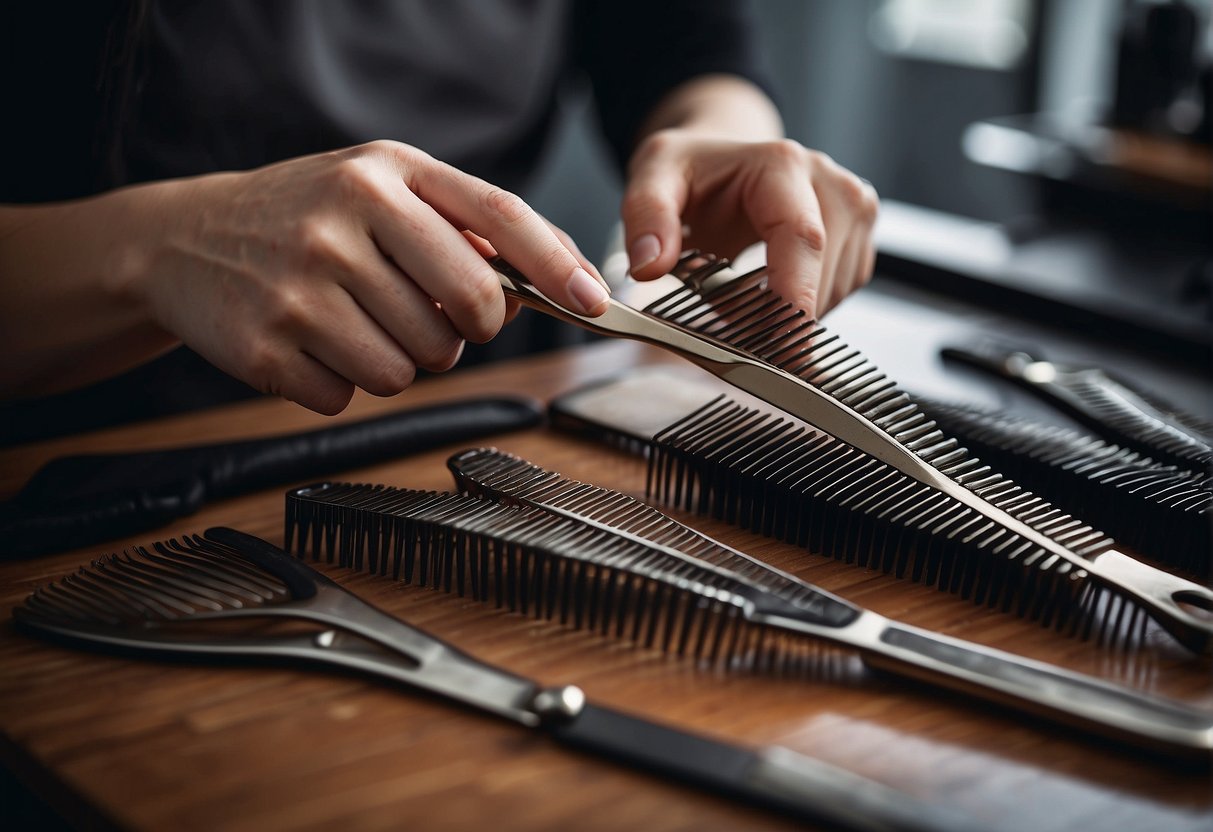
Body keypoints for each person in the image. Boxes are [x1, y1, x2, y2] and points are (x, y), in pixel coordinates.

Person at [0, 0, 877, 440]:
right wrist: (149, 253)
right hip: (84, 471)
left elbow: (689, 52)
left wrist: (722, 145)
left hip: (481, 430)